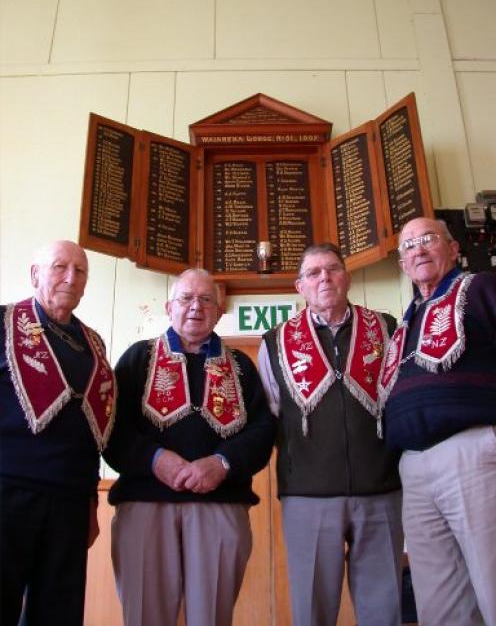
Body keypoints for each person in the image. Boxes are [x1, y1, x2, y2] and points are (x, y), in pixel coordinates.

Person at [104, 268, 276, 626]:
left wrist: (223, 462)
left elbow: (262, 430)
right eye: (186, 298)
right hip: (144, 504)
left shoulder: (241, 366)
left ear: (218, 310)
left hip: (219, 504)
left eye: (205, 299)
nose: (195, 307)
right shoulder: (138, 358)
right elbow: (111, 428)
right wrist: (154, 459)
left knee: (211, 616)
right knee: (144, 616)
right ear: (169, 307)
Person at [258, 242, 403, 626]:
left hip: (382, 490)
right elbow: (270, 416)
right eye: (313, 273)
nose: (324, 277)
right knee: (312, 611)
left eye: (333, 269)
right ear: (299, 286)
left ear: (347, 277)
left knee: (384, 609)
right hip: (308, 496)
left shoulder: (386, 327)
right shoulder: (275, 342)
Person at [379, 216, 496, 626]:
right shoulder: (404, 323)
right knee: (441, 605)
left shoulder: (479, 288)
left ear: (453, 248)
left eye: (428, 239)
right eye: (408, 246)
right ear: (402, 265)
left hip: (474, 454)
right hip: (415, 468)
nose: (418, 249)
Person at [0, 240, 116, 626]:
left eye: (79, 271)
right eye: (59, 267)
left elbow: (92, 430)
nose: (70, 277)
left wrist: (89, 500)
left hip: (69, 501)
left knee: (59, 614)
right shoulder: (3, 322)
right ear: (35, 275)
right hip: (7, 493)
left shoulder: (94, 345)